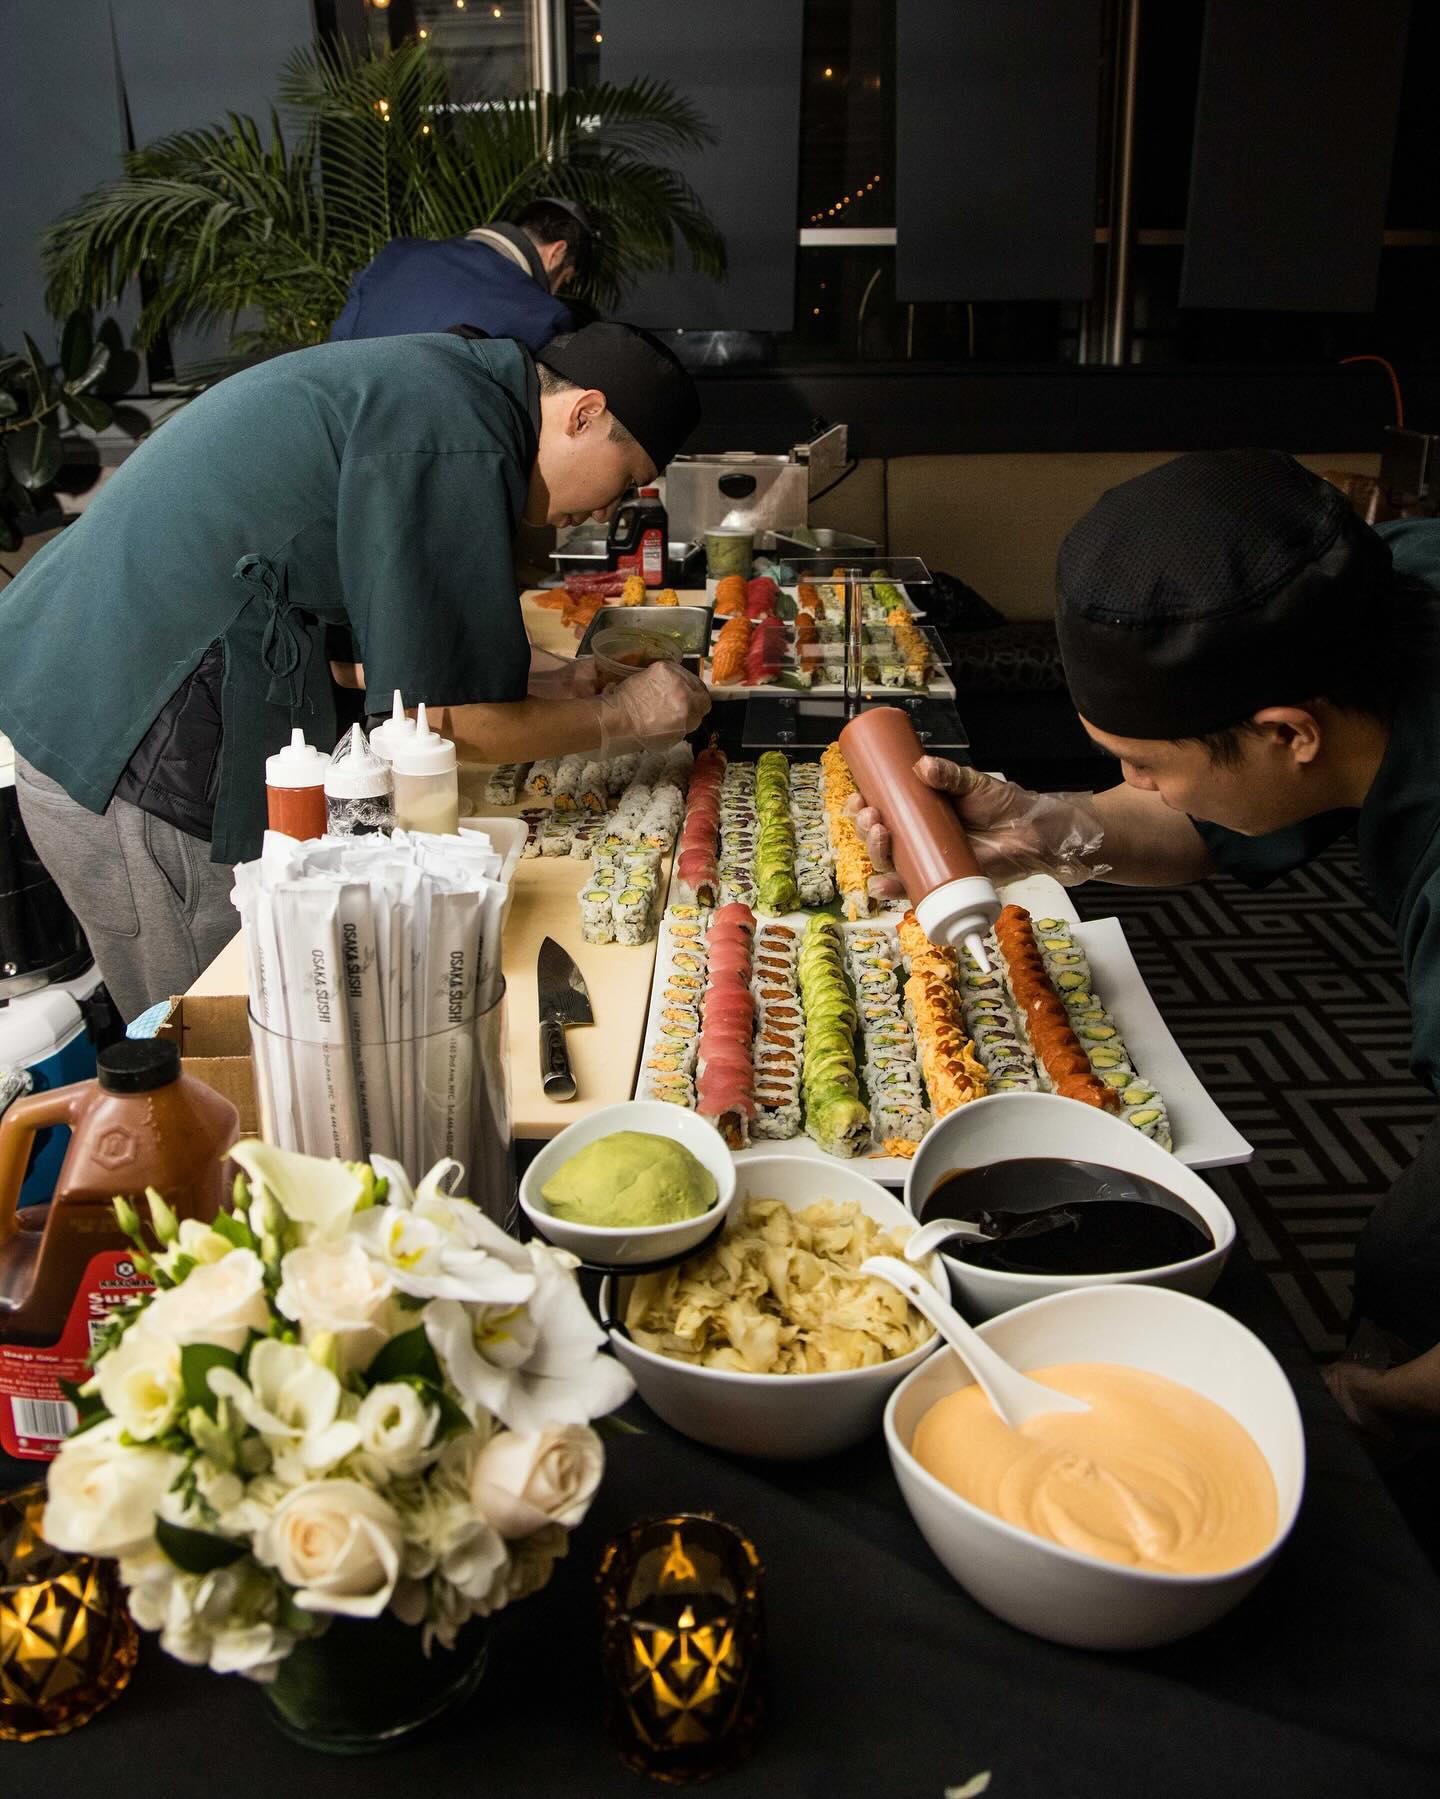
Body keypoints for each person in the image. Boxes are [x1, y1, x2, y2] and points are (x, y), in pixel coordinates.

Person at [852, 450, 1440, 1424]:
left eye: (1143, 766)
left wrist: (1383, 1403)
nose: (1138, 788)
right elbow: (1207, 816)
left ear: (1290, 733)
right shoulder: (1373, 593)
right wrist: (1049, 829)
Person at [0, 320, 709, 1020]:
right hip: (133, 749)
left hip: (106, 698)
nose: (607, 512)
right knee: (221, 1039)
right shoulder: (458, 434)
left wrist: (545, 684)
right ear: (585, 414)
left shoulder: (450, 389)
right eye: (626, 482)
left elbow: (376, 654)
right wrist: (625, 717)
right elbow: (444, 722)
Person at [329, 198, 594, 350]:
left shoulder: (398, 253)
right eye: (564, 279)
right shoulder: (543, 317)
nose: (555, 291)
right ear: (557, 252)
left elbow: (336, 342)